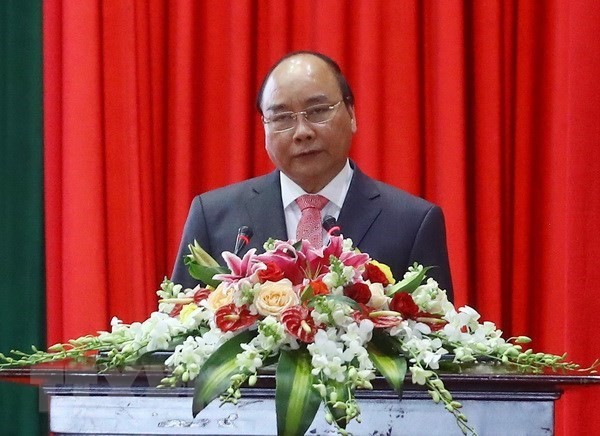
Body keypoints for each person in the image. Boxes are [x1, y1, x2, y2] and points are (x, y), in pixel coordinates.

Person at [171, 51, 453, 300]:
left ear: (352, 114)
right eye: (282, 117)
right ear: (265, 128)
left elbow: (437, 344)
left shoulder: (412, 223)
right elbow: (178, 335)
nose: (302, 132)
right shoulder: (213, 217)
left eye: (318, 111)